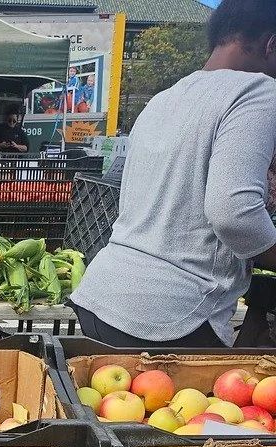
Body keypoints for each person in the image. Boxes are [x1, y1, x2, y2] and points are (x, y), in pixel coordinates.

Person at [70, 0, 276, 349]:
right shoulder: (258, 92)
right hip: (170, 317)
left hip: (101, 295)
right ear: (272, 44)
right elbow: (234, 215)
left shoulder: (164, 99)